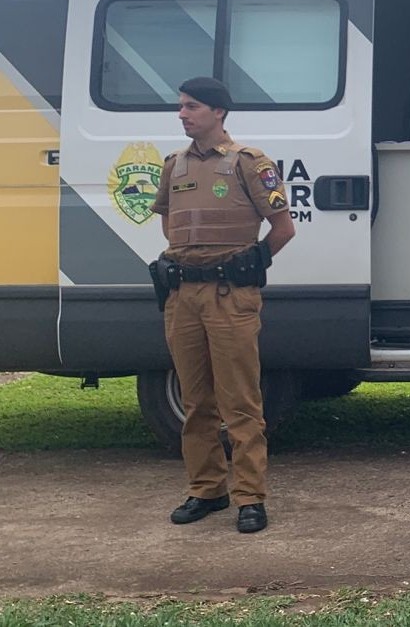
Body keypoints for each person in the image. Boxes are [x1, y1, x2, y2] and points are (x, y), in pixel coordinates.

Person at [150, 77, 295, 534]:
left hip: (230, 296)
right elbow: (169, 225)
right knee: (196, 401)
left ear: (218, 112)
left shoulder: (249, 164)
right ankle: (206, 489)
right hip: (183, 297)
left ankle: (249, 497)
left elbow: (283, 228)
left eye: (191, 107)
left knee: (241, 402)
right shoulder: (173, 166)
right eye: (181, 107)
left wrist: (251, 262)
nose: (182, 114)